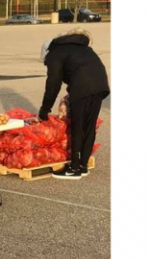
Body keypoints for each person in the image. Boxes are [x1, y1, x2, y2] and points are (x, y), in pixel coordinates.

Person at [39, 28, 110, 179]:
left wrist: (44, 110)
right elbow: (80, 70)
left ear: (46, 53)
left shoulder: (55, 53)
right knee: (88, 126)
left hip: (84, 86)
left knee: (78, 126)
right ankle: (83, 166)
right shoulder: (78, 47)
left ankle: (74, 168)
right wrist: (70, 95)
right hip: (100, 85)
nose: (47, 65)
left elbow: (53, 84)